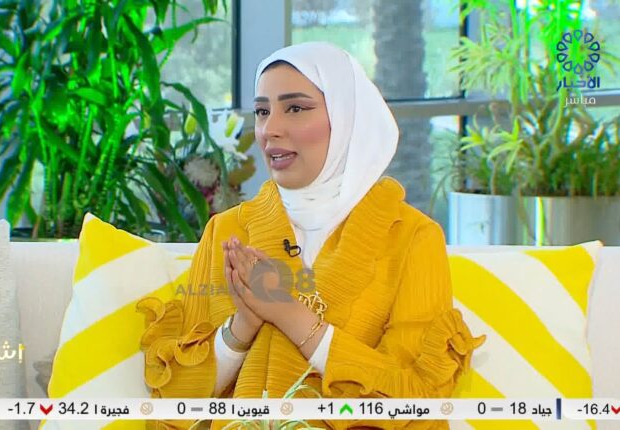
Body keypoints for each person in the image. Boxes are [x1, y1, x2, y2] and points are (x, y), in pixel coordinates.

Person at [137, 41, 485, 430]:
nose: (270, 130)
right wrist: (242, 327)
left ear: (346, 118)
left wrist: (290, 315)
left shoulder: (412, 238)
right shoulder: (227, 230)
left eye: (296, 109)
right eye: (262, 111)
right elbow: (174, 406)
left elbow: (415, 401)